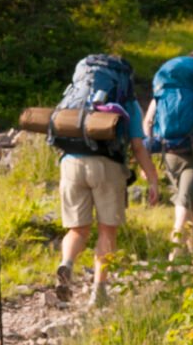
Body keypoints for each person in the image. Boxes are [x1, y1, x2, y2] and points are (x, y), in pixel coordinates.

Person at [54, 55, 162, 308]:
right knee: (107, 230)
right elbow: (138, 145)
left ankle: (66, 263)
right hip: (107, 165)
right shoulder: (127, 101)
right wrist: (153, 179)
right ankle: (99, 292)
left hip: (71, 162)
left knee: (77, 229)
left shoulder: (74, 96)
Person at [142, 54, 193, 255]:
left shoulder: (166, 85)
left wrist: (149, 157)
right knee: (183, 211)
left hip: (168, 153)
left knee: (190, 206)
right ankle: (174, 262)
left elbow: (148, 122)